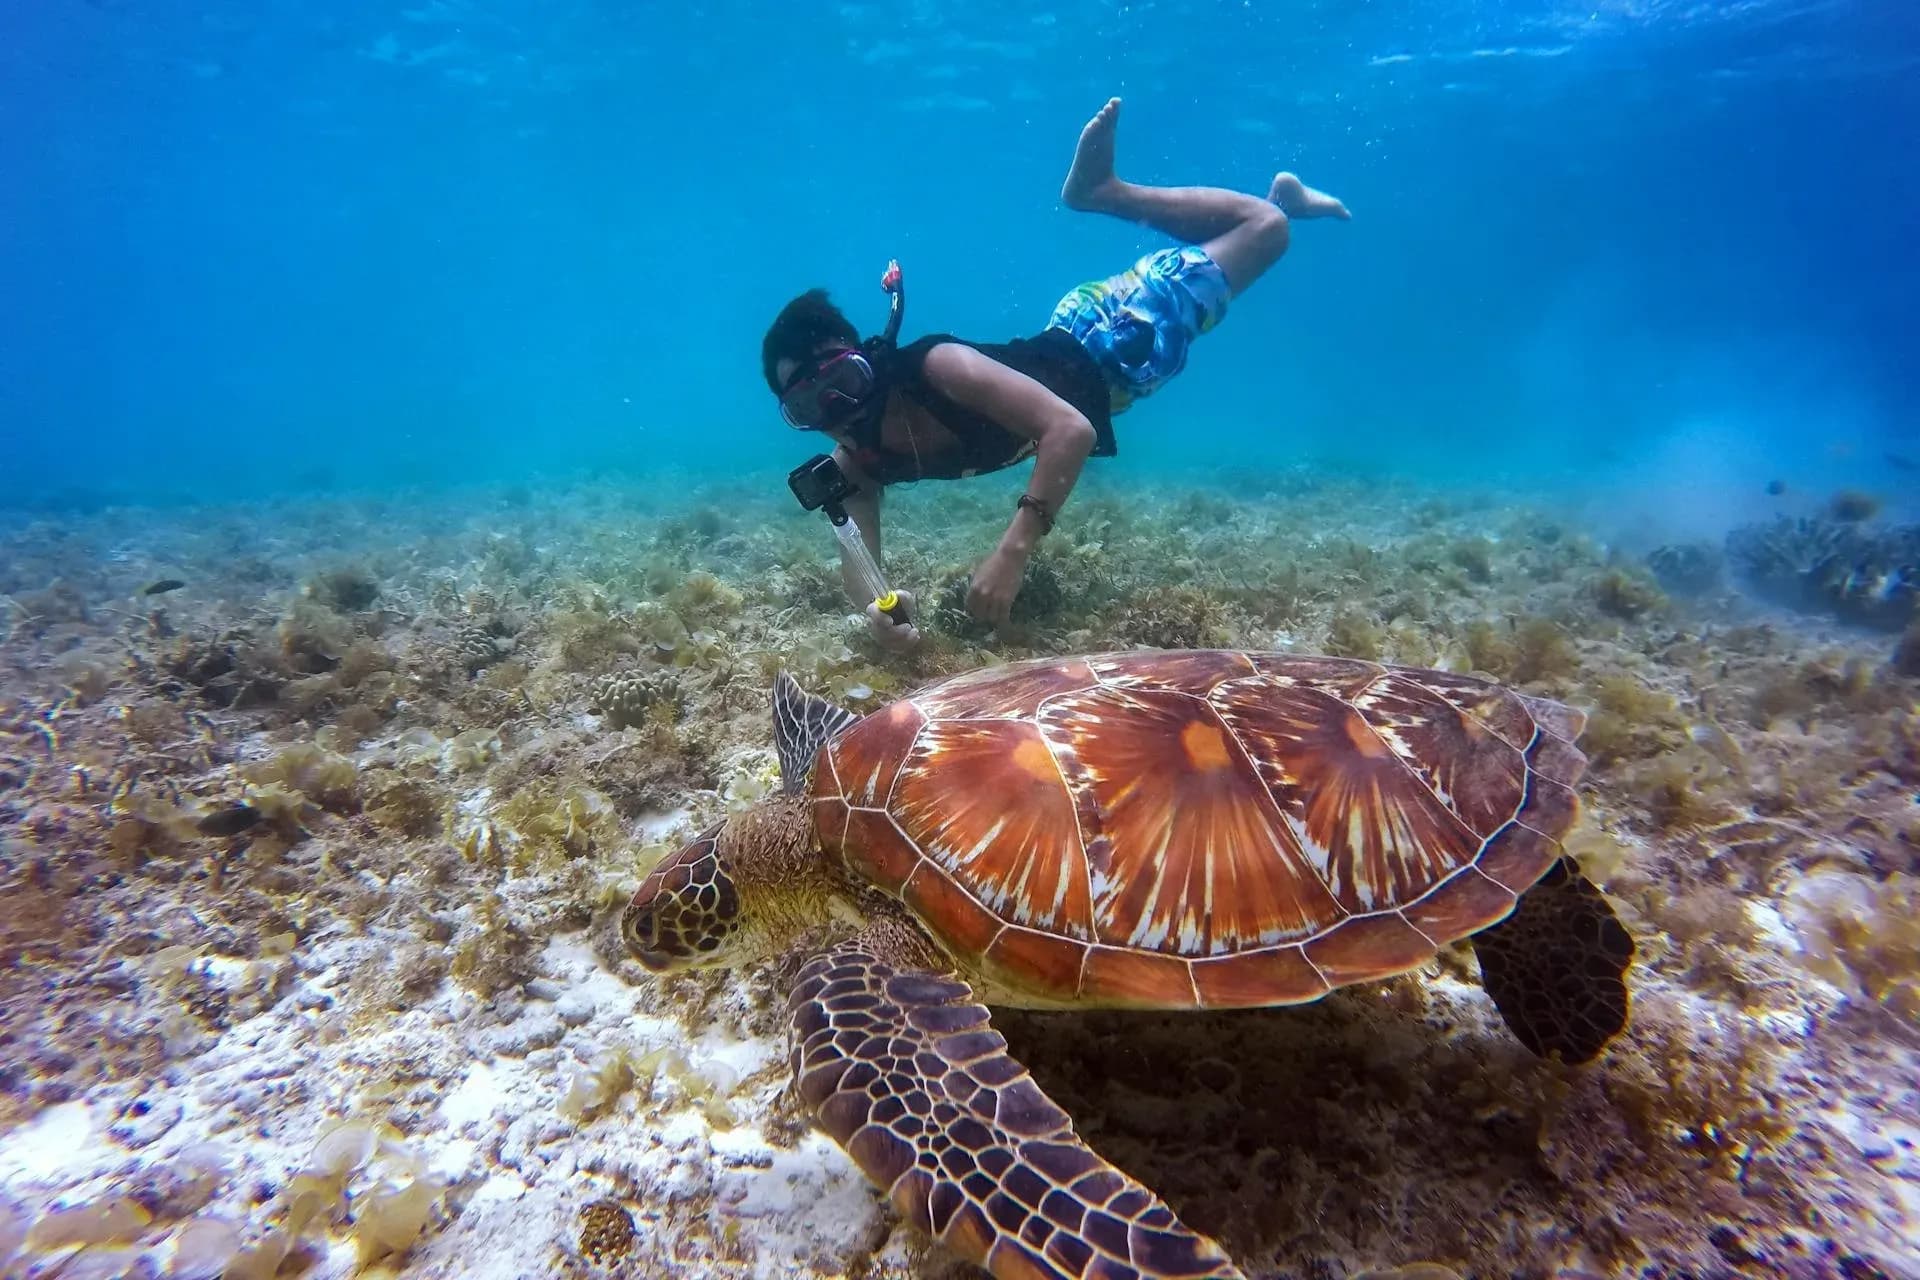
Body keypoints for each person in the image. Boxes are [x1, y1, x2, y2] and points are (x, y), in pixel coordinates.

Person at [761, 97, 1349, 653]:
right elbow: (861, 573)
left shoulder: (937, 367)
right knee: (1246, 241)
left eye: (845, 382)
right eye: (811, 407)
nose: (840, 412)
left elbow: (1070, 431)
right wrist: (881, 618)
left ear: (868, 359)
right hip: (1093, 356)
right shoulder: (855, 464)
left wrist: (1012, 553)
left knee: (1266, 232)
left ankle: (1104, 192)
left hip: (1113, 339)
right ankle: (1282, 198)